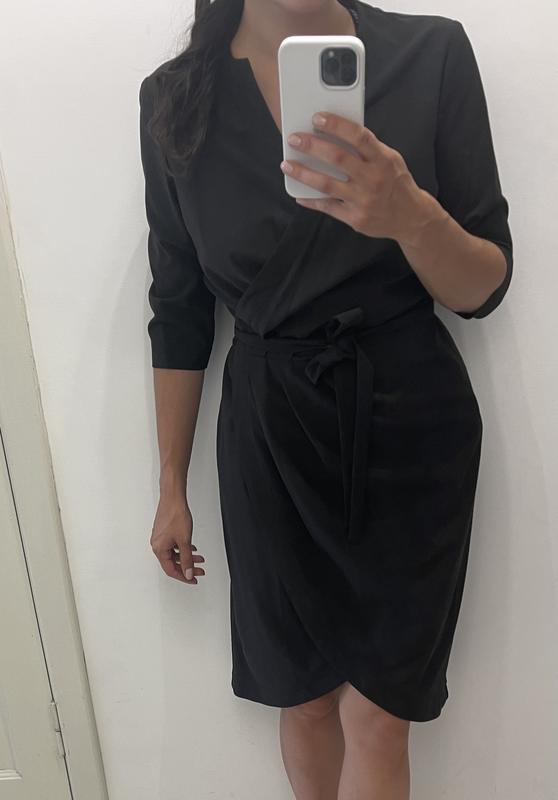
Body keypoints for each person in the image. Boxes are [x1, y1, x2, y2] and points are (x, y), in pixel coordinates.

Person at [138, 0, 513, 797]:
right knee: (304, 696)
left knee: (380, 712)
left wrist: (410, 216)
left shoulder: (429, 54)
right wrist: (170, 485)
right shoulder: (177, 96)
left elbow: (482, 287)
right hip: (271, 432)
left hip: (408, 421)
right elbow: (178, 309)